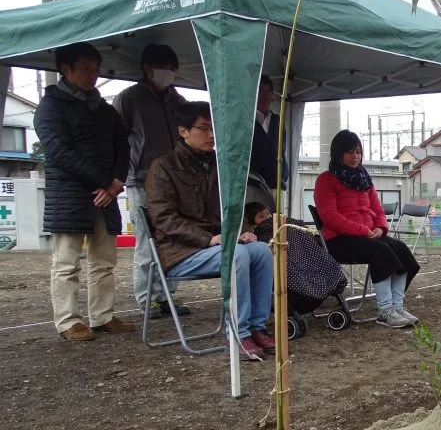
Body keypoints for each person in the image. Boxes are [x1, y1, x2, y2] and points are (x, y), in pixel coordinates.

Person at [145, 101, 275, 361]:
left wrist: (245, 230)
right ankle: (238, 332)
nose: (211, 135)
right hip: (179, 252)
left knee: (260, 249)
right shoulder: (163, 167)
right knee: (237, 255)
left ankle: (257, 327)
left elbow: (230, 209)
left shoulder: (216, 165)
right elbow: (164, 218)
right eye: (203, 129)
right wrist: (209, 239)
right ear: (183, 131)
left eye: (213, 129)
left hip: (214, 245)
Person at [33, 42, 137, 341]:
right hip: (69, 196)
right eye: (85, 69)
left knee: (104, 260)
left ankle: (102, 316)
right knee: (66, 262)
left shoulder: (105, 109)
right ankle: (68, 321)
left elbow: (123, 146)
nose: (93, 75)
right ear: (65, 70)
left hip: (105, 194)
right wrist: (106, 181)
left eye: (95, 69)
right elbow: (58, 152)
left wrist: (117, 181)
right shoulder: (50, 107)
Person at [111, 44, 190, 319]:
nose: (169, 74)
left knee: (176, 236)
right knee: (147, 239)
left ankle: (167, 296)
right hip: (142, 179)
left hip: (176, 181)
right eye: (165, 68)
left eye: (173, 69)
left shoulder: (178, 102)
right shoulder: (128, 99)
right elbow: (117, 141)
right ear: (147, 68)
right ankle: (147, 298)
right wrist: (120, 176)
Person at [314, 130, 419, 328]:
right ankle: (385, 311)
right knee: (382, 251)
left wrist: (381, 228)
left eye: (358, 152)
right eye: (350, 152)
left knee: (402, 250)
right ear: (338, 153)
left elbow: (377, 209)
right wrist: (362, 230)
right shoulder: (325, 180)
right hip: (339, 240)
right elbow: (330, 217)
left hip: (369, 235)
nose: (355, 157)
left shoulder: (364, 178)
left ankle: (397, 306)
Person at [249, 74, 288, 193]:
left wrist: (283, 175)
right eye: (260, 90)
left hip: (276, 185)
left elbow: (281, 151)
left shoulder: (277, 122)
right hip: (253, 186)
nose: (265, 96)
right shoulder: (246, 121)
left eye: (268, 91)